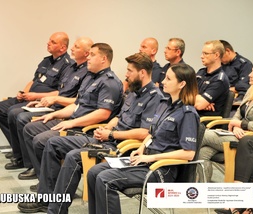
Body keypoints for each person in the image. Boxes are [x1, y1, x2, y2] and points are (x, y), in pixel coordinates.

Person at [17, 52, 163, 213]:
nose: (126, 75)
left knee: (74, 157)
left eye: (129, 71)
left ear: (142, 73)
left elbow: (144, 133)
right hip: (108, 139)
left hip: (124, 148)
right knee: (53, 143)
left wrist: (112, 134)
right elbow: (119, 118)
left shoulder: (155, 98)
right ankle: (48, 200)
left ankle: (55, 209)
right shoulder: (134, 93)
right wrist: (108, 127)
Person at [87, 64, 200, 214]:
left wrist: (150, 157)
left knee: (105, 179)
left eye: (168, 78)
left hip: (161, 169)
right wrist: (141, 149)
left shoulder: (188, 114)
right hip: (146, 161)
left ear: (182, 84)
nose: (163, 81)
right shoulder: (164, 105)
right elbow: (152, 134)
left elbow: (188, 154)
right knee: (93, 172)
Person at [22, 43, 123, 182]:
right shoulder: (90, 77)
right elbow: (76, 104)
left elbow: (103, 114)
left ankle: (51, 184)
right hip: (73, 120)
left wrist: (71, 123)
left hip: (84, 128)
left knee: (41, 141)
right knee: (30, 128)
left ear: (103, 59)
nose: (88, 58)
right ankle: (44, 177)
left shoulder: (109, 82)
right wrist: (54, 115)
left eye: (93, 55)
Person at [3, 37, 93, 181]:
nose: (72, 49)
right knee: (13, 112)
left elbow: (76, 101)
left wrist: (53, 100)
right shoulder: (71, 68)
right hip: (54, 106)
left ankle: (34, 166)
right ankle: (26, 160)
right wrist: (42, 101)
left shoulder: (87, 73)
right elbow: (59, 90)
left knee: (21, 118)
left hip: (64, 110)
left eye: (76, 47)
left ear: (86, 53)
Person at [198, 59, 253, 182]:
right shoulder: (252, 89)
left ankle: (177, 167)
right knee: (203, 153)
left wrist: (237, 124)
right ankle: (200, 189)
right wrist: (236, 126)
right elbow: (238, 114)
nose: (250, 75)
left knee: (203, 135)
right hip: (238, 133)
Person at [0, 32, 72, 156]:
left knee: (14, 112)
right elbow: (34, 80)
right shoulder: (46, 61)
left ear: (62, 47)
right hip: (30, 97)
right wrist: (24, 92)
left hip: (43, 102)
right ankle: (18, 148)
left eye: (53, 42)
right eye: (49, 40)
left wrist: (36, 96)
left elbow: (60, 92)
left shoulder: (68, 65)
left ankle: (22, 156)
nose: (48, 43)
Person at [195, 40, 230, 116]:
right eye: (202, 53)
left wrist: (193, 99)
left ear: (216, 55)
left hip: (205, 121)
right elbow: (183, 93)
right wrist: (199, 100)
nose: (201, 56)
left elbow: (199, 105)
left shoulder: (220, 79)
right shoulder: (200, 72)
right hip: (193, 115)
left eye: (206, 53)